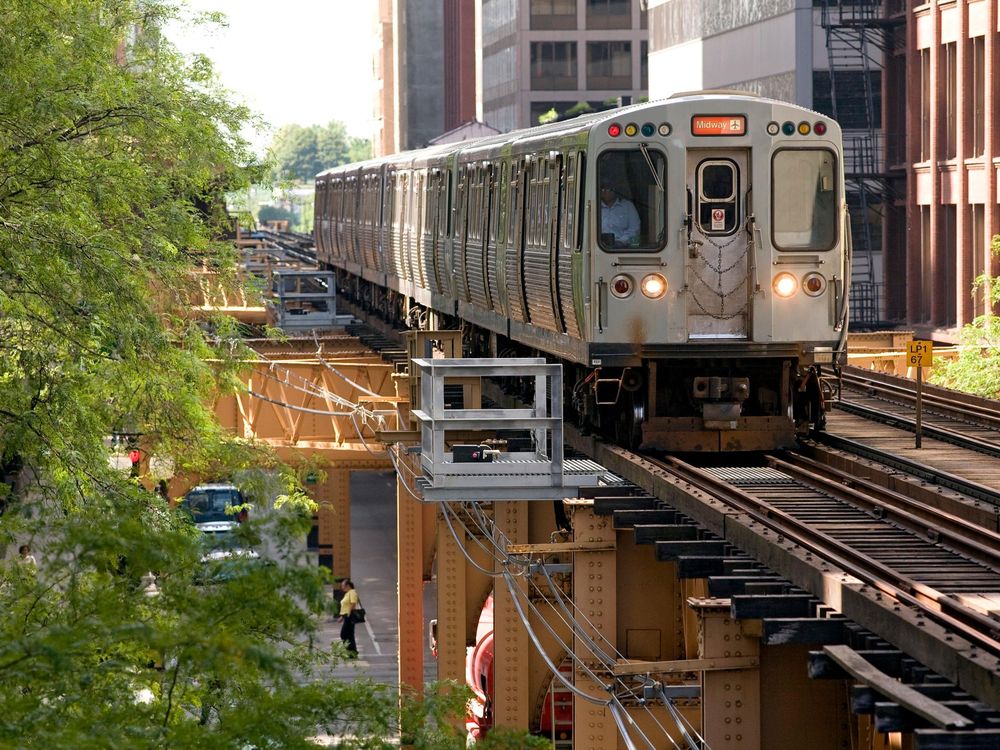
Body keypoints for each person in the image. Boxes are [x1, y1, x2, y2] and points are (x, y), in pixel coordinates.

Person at [599, 179, 641, 247]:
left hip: (623, 249)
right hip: (599, 248)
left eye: (609, 189)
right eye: (603, 189)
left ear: (615, 190)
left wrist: (621, 242)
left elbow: (635, 229)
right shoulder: (595, 207)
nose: (605, 192)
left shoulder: (628, 206)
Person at [338, 578, 359, 658]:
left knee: (345, 634)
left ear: (348, 586)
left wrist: (348, 614)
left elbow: (353, 604)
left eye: (343, 585)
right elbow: (345, 606)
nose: (342, 587)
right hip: (346, 616)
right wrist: (342, 617)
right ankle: (352, 652)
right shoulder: (347, 593)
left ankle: (351, 652)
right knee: (348, 634)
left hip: (349, 616)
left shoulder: (352, 592)